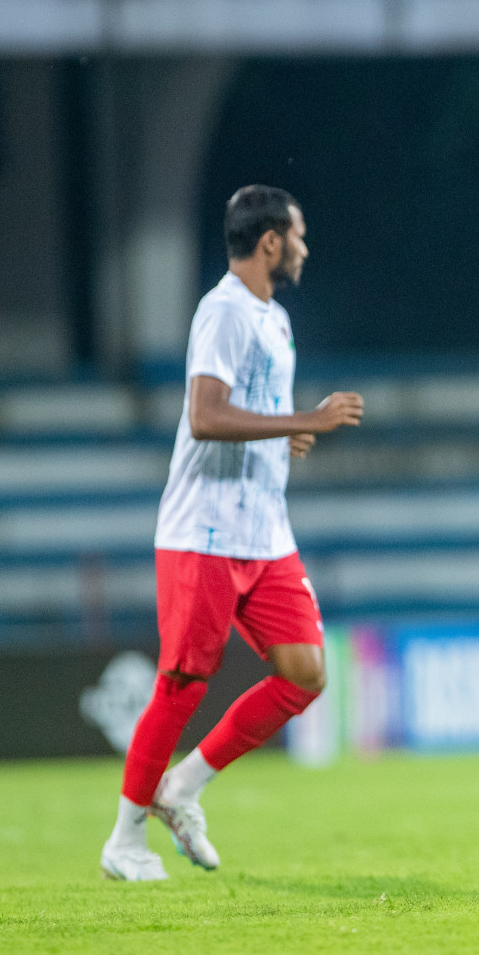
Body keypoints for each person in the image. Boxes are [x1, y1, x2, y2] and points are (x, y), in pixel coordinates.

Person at [99, 186, 364, 881]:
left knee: (305, 674)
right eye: (298, 235)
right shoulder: (222, 312)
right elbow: (208, 415)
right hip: (205, 530)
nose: (305, 248)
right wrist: (304, 417)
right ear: (271, 240)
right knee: (184, 680)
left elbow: (254, 413)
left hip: (264, 531)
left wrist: (289, 433)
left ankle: (182, 788)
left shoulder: (272, 318)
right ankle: (125, 840)